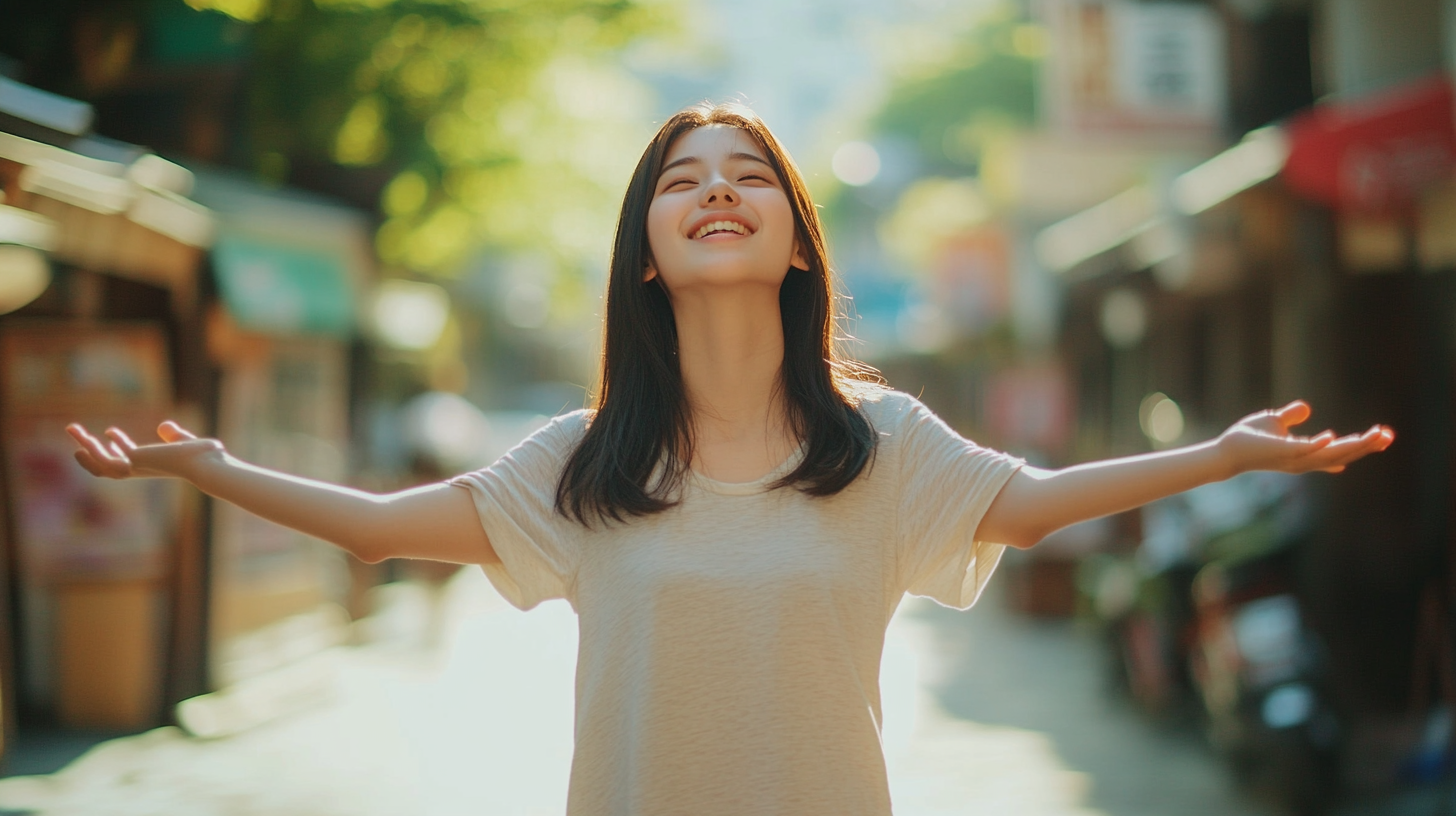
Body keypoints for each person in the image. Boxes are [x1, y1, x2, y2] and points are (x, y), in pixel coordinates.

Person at [66, 102, 1393, 815]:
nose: (717, 190)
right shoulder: (581, 467)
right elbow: (375, 530)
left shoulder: (880, 446)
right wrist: (208, 469)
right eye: (683, 176)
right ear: (648, 248)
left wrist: (1222, 459)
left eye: (750, 175)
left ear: (800, 241)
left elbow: (1033, 509)